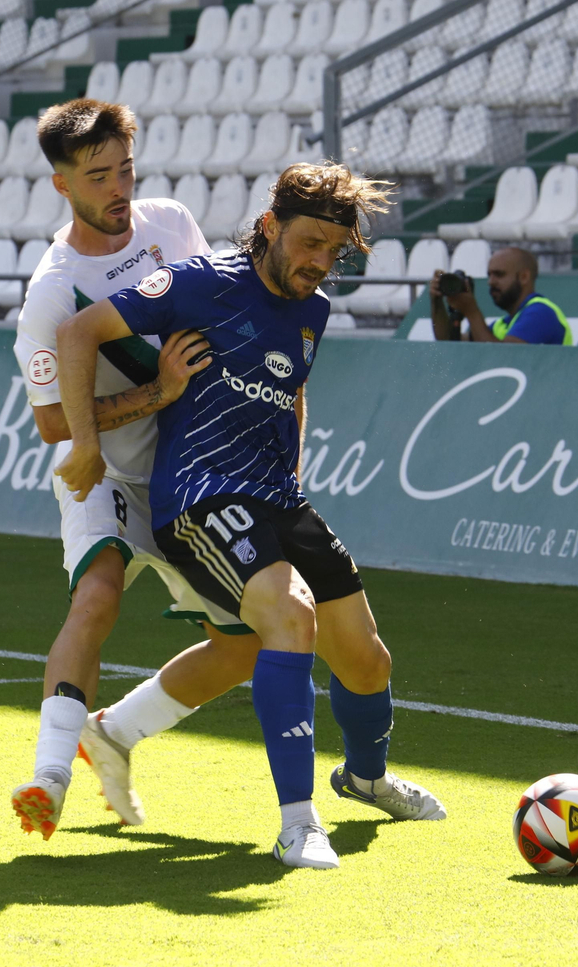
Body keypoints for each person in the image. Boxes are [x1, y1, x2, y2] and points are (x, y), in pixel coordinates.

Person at [54, 162, 447, 872]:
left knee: (367, 659)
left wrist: (291, 474)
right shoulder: (200, 282)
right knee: (290, 618)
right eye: (309, 243)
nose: (320, 263)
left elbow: (291, 391)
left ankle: (366, 778)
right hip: (200, 497)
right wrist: (86, 441)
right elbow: (79, 333)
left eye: (334, 251)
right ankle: (298, 824)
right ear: (270, 228)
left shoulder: (313, 311)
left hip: (277, 498)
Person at [9, 98, 264, 843]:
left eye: (124, 168)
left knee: (248, 644)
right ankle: (49, 775)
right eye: (98, 176)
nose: (119, 188)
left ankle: (114, 734)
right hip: (108, 477)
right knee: (97, 596)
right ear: (62, 186)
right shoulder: (54, 291)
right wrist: (157, 392)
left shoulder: (171, 223)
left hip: (191, 474)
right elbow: (54, 423)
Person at [428, 246, 572, 345]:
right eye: (489, 275)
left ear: (524, 277)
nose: (491, 282)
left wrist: (471, 312)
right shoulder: (503, 324)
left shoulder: (541, 313)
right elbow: (449, 342)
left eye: (499, 275)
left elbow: (502, 358)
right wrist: (437, 303)